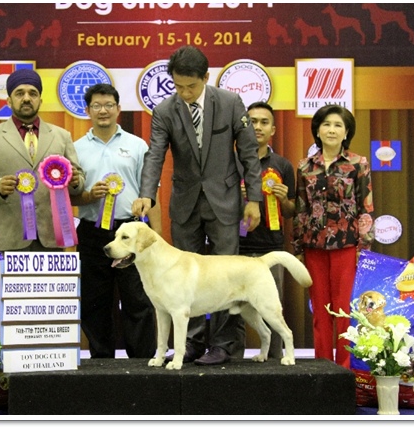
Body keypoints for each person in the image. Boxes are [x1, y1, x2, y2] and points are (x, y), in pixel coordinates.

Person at [132, 45, 262, 366]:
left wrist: (254, 199)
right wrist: (147, 193)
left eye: (191, 86)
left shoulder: (230, 103)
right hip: (185, 203)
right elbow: (155, 154)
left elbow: (249, 153)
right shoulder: (165, 111)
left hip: (225, 201)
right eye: (178, 86)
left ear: (206, 77)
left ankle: (223, 344)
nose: (185, 93)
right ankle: (190, 342)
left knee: (225, 275)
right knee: (180, 278)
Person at [72, 83, 160, 359]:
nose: (103, 111)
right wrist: (89, 195)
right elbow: (70, 197)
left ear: (118, 109)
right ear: (87, 110)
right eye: (96, 106)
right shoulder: (75, 149)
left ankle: (143, 361)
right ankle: (101, 361)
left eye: (109, 105)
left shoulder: (137, 145)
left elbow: (150, 191)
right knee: (94, 301)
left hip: (132, 232)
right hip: (92, 233)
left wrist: (155, 235)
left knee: (138, 299)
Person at [292, 104, 374, 368]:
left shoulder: (358, 164)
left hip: (347, 245)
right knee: (320, 311)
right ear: (317, 130)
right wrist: (298, 248)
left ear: (346, 132)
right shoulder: (305, 166)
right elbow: (301, 209)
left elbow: (365, 208)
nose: (331, 130)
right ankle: (323, 368)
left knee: (343, 309)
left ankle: (345, 370)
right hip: (313, 246)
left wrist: (363, 247)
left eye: (338, 125)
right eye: (326, 124)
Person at [0, 68, 85, 252]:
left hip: (51, 239)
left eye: (33, 93)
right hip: (9, 239)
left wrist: (76, 181)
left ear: (40, 100)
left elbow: (79, 180)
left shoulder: (62, 136)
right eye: (19, 93)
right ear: (9, 101)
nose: (27, 98)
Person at [239, 101, 296, 360]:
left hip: (271, 247)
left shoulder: (282, 165)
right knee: (232, 309)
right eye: (252, 122)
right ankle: (232, 360)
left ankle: (275, 359)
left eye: (264, 122)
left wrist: (283, 199)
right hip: (235, 246)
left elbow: (291, 211)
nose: (258, 127)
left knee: (272, 307)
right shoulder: (231, 161)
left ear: (273, 129)